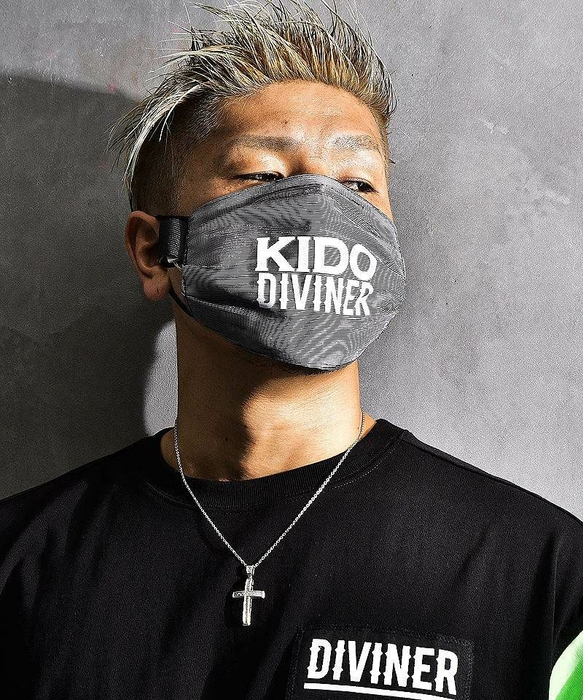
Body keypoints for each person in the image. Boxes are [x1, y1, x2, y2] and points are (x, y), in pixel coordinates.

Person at [0, 1, 581, 698]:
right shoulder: (20, 564)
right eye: (263, 177)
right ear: (154, 252)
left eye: (357, 185)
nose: (321, 215)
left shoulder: (542, 577)